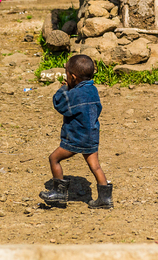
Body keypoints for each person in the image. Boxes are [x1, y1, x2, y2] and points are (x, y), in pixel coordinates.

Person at [39, 54, 113, 209]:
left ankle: (59, 193)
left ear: (73, 77)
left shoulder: (74, 94)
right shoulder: (93, 90)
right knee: (95, 166)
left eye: (67, 75)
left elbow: (59, 104)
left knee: (54, 159)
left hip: (76, 137)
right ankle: (105, 199)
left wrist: (63, 88)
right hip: (92, 135)